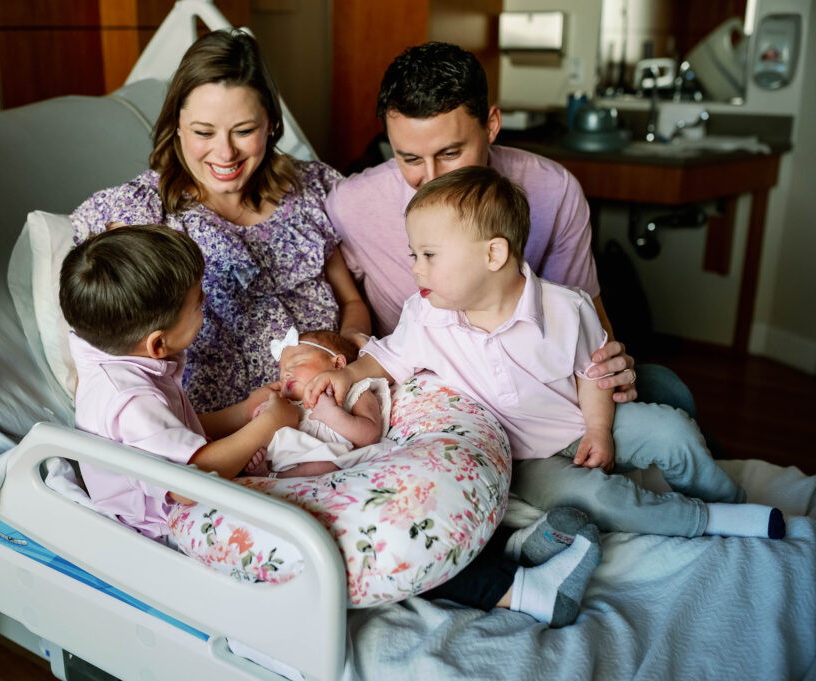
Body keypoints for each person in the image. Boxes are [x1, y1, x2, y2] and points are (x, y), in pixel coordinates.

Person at [307, 166, 786, 541]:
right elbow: (387, 360)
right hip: (521, 460)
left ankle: (727, 498)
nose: (415, 269)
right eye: (413, 254)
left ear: (494, 255)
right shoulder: (426, 314)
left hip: (579, 419)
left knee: (674, 430)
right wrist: (348, 376)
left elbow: (594, 373)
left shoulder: (565, 308)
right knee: (596, 499)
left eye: (429, 255)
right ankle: (701, 520)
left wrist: (599, 431)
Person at [324, 41, 697, 412]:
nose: (432, 177)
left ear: (491, 125)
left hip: (537, 386)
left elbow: (587, 320)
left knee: (668, 389)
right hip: (440, 397)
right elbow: (342, 298)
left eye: (451, 153)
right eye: (409, 158)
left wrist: (612, 372)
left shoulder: (554, 189)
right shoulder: (351, 205)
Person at [70, 29, 370, 413]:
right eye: (203, 132)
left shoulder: (308, 192)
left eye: (244, 131)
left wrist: (346, 356)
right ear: (177, 125)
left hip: (330, 408)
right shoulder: (145, 213)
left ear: (271, 125)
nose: (225, 152)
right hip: (215, 432)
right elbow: (109, 344)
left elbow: (350, 300)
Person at [59, 225, 299, 542]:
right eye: (198, 303)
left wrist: (244, 412)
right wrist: (266, 425)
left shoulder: (113, 356)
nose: (205, 301)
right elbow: (190, 484)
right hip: (164, 530)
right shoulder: (132, 400)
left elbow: (172, 432)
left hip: (179, 499)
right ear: (158, 345)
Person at [243, 327, 392, 478]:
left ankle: (274, 477)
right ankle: (267, 473)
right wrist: (263, 413)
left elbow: (369, 436)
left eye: (296, 363)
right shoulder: (286, 406)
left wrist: (332, 414)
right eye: (281, 374)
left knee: (327, 465)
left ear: (338, 364)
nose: (285, 374)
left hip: (335, 461)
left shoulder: (354, 390)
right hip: (288, 461)